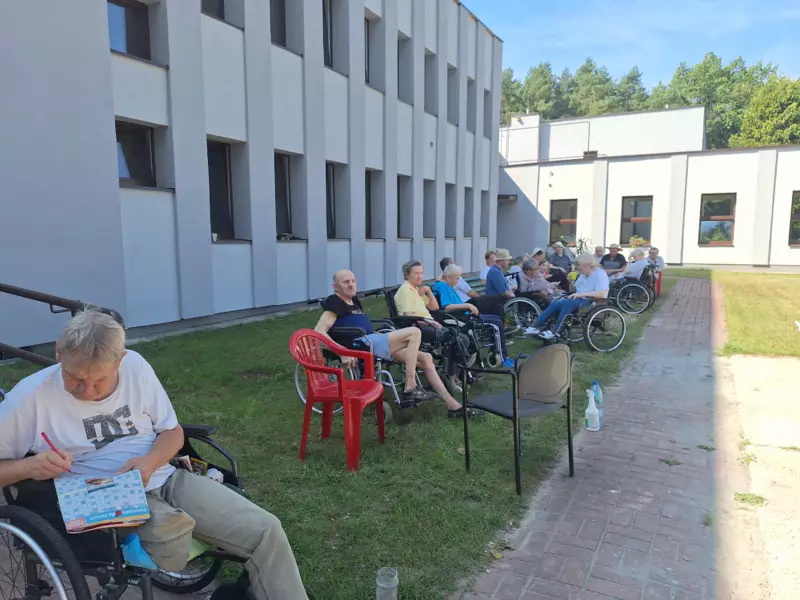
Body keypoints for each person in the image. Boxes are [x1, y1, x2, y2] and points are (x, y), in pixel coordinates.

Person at [0, 311, 309, 600]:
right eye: (76, 378)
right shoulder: (29, 399)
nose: (88, 390)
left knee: (266, 530)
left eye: (100, 380)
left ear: (120, 360)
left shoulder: (135, 367)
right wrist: (30, 466)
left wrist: (149, 463)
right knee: (172, 540)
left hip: (163, 475)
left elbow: (172, 433)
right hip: (99, 497)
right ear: (59, 353)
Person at [314, 270, 467, 414]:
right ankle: (410, 387)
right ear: (336, 287)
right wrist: (342, 353)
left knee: (426, 357)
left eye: (353, 281)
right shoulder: (334, 303)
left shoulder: (353, 301)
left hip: (373, 340)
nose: (351, 285)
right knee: (414, 332)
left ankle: (453, 405)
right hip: (362, 344)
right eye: (346, 282)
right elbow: (318, 333)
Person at [395, 261, 479, 411]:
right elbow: (409, 316)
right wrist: (430, 322)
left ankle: (451, 374)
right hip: (417, 328)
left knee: (462, 338)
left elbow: (434, 307)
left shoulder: (416, 290)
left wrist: (428, 291)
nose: (419, 276)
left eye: (421, 273)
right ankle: (451, 376)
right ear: (407, 275)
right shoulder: (405, 291)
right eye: (415, 273)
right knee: (454, 337)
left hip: (429, 324)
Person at [433, 264, 513, 368]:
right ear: (448, 277)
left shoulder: (445, 285)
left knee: (496, 317)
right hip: (460, 318)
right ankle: (503, 357)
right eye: (457, 278)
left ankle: (497, 351)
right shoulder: (442, 286)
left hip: (464, 315)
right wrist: (468, 306)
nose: (457, 281)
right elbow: (447, 307)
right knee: (496, 323)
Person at [525, 253, 610, 341]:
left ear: (587, 265)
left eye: (579, 265)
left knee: (567, 303)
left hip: (591, 302)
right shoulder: (583, 275)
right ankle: (534, 327)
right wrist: (571, 282)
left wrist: (581, 295)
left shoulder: (600, 274)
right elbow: (573, 290)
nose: (577, 268)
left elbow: (602, 294)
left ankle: (555, 331)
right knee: (555, 303)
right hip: (578, 300)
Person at [439, 256, 505, 319]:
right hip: (469, 304)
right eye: (453, 264)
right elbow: (470, 293)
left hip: (467, 305)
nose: (455, 265)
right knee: (497, 297)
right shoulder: (448, 283)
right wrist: (480, 299)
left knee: (498, 307)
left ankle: (503, 323)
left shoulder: (450, 282)